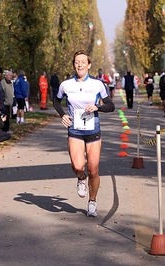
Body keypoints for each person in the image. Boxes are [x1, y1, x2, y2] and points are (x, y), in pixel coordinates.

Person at [53, 50, 115, 217]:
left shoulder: (97, 84)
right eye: (76, 62)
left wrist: (98, 107)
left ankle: (92, 202)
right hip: (75, 130)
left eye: (82, 61)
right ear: (74, 65)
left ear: (89, 65)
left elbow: (111, 105)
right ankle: (81, 178)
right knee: (77, 166)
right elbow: (56, 101)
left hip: (93, 131)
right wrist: (63, 115)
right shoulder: (66, 84)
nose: (79, 64)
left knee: (93, 170)